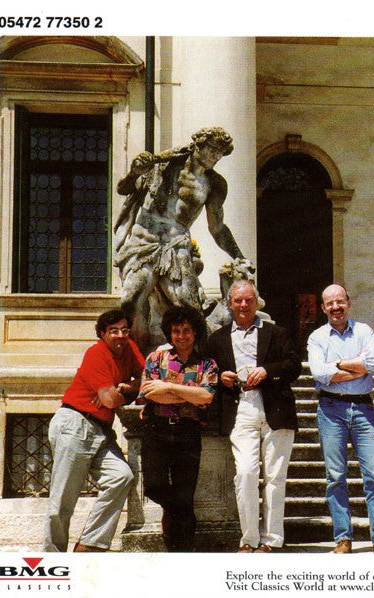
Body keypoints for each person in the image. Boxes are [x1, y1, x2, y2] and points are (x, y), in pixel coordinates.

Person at [114, 126, 252, 351]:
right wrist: (134, 172)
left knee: (190, 307)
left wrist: (238, 255)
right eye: (213, 150)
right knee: (130, 301)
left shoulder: (215, 184)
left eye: (220, 153)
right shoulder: (160, 167)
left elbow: (217, 228)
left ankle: (201, 359)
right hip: (143, 243)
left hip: (176, 247)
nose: (216, 157)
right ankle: (138, 358)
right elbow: (124, 189)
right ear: (198, 146)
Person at [307, 284, 374, 554]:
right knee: (335, 475)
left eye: (340, 301)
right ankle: (343, 538)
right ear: (323, 308)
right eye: (330, 303)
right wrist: (355, 366)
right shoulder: (317, 337)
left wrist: (336, 365)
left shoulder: (364, 331)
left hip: (362, 408)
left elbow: (371, 364)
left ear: (348, 303)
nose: (335, 307)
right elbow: (319, 372)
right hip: (330, 409)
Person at [207, 280, 301, 552]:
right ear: (229, 303)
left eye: (249, 300)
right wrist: (220, 377)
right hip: (240, 408)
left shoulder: (277, 333)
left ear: (256, 302)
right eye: (238, 300)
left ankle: (271, 540)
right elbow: (208, 372)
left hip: (276, 407)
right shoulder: (217, 339)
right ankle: (248, 539)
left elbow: (293, 365)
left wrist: (268, 371)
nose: (244, 305)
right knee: (246, 473)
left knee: (275, 477)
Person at [44, 309, 144, 552]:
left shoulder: (129, 347)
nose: (120, 335)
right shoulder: (96, 353)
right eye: (113, 331)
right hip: (75, 424)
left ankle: (89, 544)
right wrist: (115, 395)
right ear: (102, 334)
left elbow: (147, 377)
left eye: (124, 330)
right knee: (62, 500)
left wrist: (123, 388)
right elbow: (109, 400)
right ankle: (53, 558)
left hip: (101, 428)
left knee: (121, 477)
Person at [138, 305, 217, 552]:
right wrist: (189, 394)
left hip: (187, 433)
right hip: (157, 430)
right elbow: (149, 394)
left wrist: (169, 387)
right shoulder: (156, 359)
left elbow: (207, 396)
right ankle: (178, 520)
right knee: (154, 487)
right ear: (169, 333)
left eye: (186, 331)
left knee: (185, 494)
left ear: (195, 333)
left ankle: (181, 549)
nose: (181, 336)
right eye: (176, 331)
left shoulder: (206, 364)